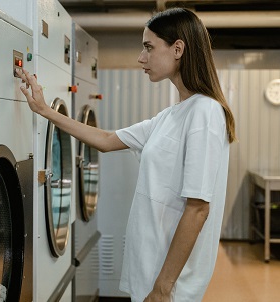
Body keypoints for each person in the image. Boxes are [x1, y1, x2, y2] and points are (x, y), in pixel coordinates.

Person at [17, 7, 236, 302]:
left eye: (148, 47)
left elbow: (198, 208)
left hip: (170, 284)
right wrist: (45, 111)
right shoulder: (172, 115)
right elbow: (107, 140)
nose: (140, 58)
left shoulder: (205, 113)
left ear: (178, 49)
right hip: (151, 269)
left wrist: (162, 288)